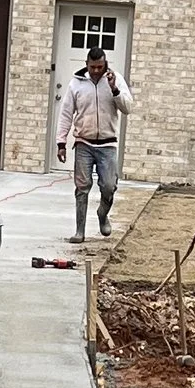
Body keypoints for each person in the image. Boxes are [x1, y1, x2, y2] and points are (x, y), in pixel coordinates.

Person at [56, 43, 131, 241]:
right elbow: (66, 114)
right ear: (86, 64)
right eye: (92, 67)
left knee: (109, 186)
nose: (96, 71)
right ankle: (79, 231)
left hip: (107, 144)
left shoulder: (115, 80)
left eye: (100, 67)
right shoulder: (76, 84)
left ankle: (102, 214)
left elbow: (127, 108)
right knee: (82, 187)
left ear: (105, 64)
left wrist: (114, 89)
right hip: (84, 143)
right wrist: (61, 143)